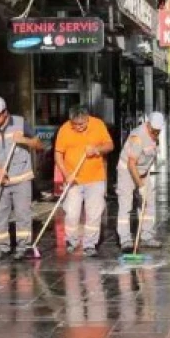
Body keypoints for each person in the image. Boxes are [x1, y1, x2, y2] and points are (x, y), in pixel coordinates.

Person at [0, 96, 44, 259]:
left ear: (5, 112)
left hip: (21, 178)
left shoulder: (20, 123)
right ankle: (2, 246)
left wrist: (23, 139)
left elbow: (39, 145)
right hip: (2, 179)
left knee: (23, 214)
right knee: (0, 214)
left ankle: (23, 246)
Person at [54, 106, 114, 256]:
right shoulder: (64, 129)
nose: (80, 127)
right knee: (71, 213)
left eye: (83, 124)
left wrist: (96, 150)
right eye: (76, 124)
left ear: (88, 119)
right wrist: (66, 174)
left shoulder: (98, 124)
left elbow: (109, 145)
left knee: (94, 213)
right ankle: (71, 241)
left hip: (95, 178)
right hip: (73, 179)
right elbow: (58, 155)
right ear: (71, 121)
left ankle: (90, 244)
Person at [117, 112, 165, 252]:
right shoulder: (137, 137)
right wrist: (140, 185)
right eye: (154, 131)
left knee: (149, 203)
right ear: (148, 125)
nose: (155, 133)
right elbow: (131, 164)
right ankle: (125, 239)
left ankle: (147, 236)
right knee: (126, 204)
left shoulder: (156, 135)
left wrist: (145, 179)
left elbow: (150, 155)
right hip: (127, 171)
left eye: (158, 131)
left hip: (143, 171)